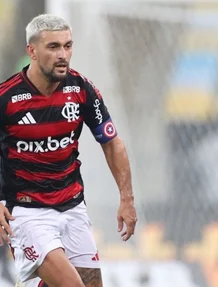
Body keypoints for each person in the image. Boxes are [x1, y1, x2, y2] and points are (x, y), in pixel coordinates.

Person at [0, 14, 138, 287]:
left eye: (67, 45)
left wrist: (127, 199)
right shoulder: (7, 98)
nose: (63, 54)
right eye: (53, 47)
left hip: (73, 207)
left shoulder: (81, 89)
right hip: (27, 214)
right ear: (32, 51)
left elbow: (111, 143)